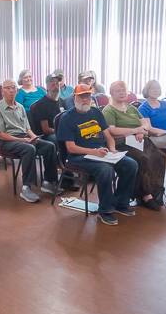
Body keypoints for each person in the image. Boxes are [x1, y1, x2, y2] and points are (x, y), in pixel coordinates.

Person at [56, 83, 138, 226]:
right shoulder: (67, 118)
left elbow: (108, 135)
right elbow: (71, 148)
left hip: (100, 153)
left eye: (87, 96)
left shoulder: (95, 112)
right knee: (105, 169)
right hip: (77, 157)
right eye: (81, 97)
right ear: (75, 98)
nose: (85, 100)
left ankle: (120, 203)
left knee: (131, 164)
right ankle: (105, 210)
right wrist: (93, 152)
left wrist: (112, 149)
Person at [0, 79, 60, 203]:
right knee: (29, 148)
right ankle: (26, 187)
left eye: (13, 87)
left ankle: (48, 181)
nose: (11, 90)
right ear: (2, 91)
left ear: (17, 90)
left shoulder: (20, 107)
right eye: (8, 88)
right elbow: (0, 135)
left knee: (49, 146)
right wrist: (22, 140)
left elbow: (27, 128)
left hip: (24, 138)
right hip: (8, 142)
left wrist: (33, 137)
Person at [103, 81, 165, 210]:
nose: (121, 93)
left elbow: (146, 124)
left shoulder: (131, 108)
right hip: (121, 142)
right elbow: (112, 131)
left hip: (138, 139)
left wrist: (142, 131)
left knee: (159, 156)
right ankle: (145, 195)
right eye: (118, 90)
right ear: (111, 93)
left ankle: (156, 192)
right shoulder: (108, 110)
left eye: (124, 90)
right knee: (143, 159)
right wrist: (134, 130)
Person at [29, 74, 77, 191]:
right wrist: (63, 132)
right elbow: (45, 129)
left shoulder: (61, 101)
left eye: (57, 83)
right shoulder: (41, 105)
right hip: (44, 136)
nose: (56, 86)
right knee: (60, 140)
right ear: (47, 86)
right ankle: (54, 179)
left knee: (75, 137)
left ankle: (70, 175)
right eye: (52, 83)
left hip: (59, 132)